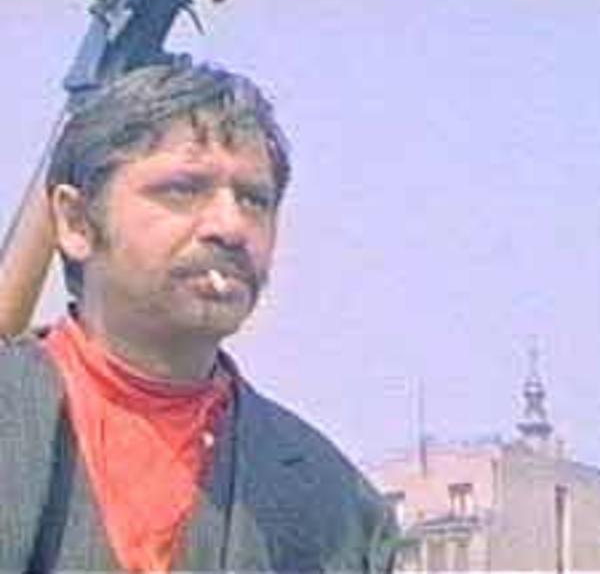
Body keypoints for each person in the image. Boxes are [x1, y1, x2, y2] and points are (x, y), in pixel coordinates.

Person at [0, 62, 398, 572]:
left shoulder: (341, 511)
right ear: (76, 221)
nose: (231, 227)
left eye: (254, 200)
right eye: (182, 190)